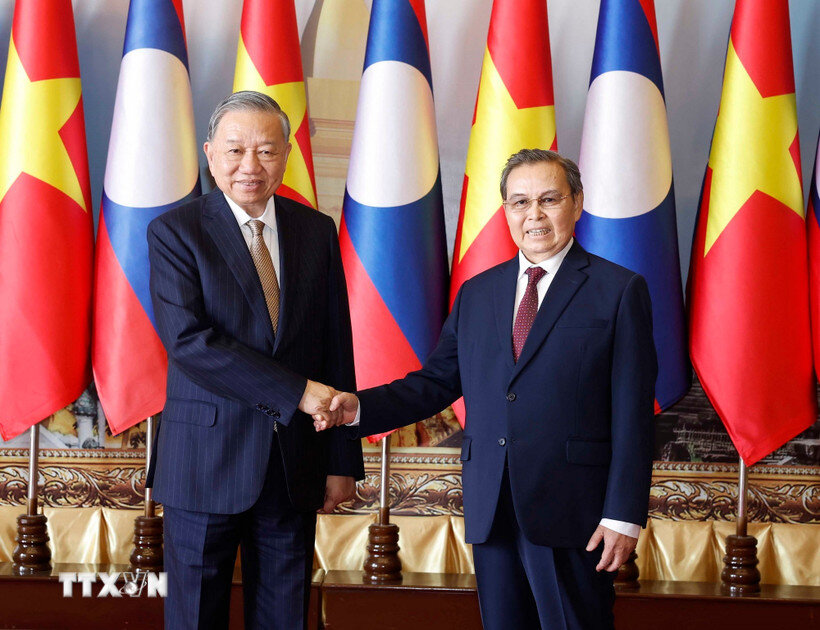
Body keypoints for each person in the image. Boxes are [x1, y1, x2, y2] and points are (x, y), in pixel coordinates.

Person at [317, 149, 657, 629]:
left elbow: (633, 413)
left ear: (577, 204)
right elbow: (435, 383)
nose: (533, 215)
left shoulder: (618, 290)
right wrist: (358, 409)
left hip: (574, 513)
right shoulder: (478, 293)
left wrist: (624, 514)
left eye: (549, 199)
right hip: (492, 507)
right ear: (505, 211)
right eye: (519, 202)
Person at [147, 91, 363, 630]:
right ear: (210, 153)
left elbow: (336, 347)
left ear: (287, 154)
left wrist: (340, 460)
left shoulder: (315, 231)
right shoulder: (176, 232)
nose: (250, 165)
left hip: (293, 465)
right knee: (196, 615)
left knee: (286, 615)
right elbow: (190, 343)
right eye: (236, 150)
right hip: (203, 462)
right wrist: (296, 392)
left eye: (266, 151)